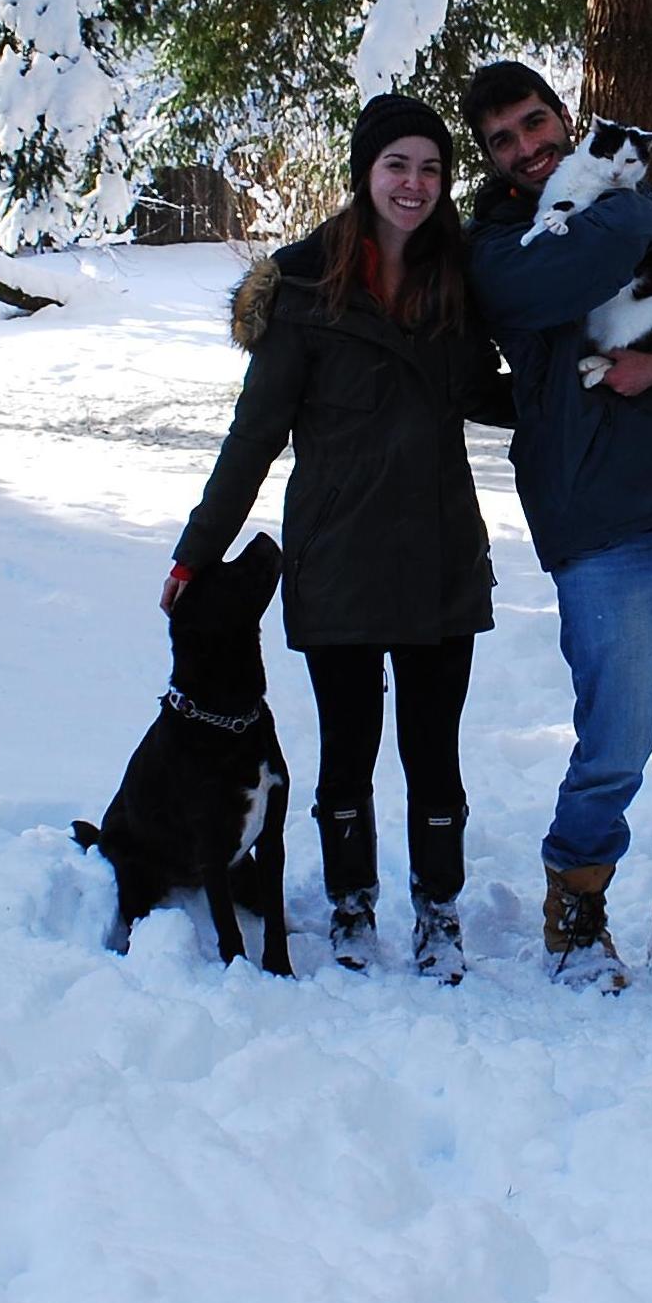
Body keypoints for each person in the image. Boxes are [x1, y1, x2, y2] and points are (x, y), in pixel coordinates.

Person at [170, 94, 505, 981]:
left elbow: (485, 390)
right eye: (397, 165)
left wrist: (590, 388)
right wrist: (198, 551)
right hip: (339, 558)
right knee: (346, 753)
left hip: (440, 554)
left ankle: (438, 910)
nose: (414, 183)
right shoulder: (304, 288)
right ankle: (352, 903)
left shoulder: (457, 277)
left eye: (430, 168)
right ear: (365, 172)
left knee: (434, 754)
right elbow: (254, 435)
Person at [462, 61, 652, 992]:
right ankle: (575, 916)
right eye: (503, 141)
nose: (525, 148)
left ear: (563, 116)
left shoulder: (628, 200)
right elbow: (567, 275)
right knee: (614, 744)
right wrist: (644, 214)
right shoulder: (499, 242)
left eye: (534, 123)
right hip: (600, 524)